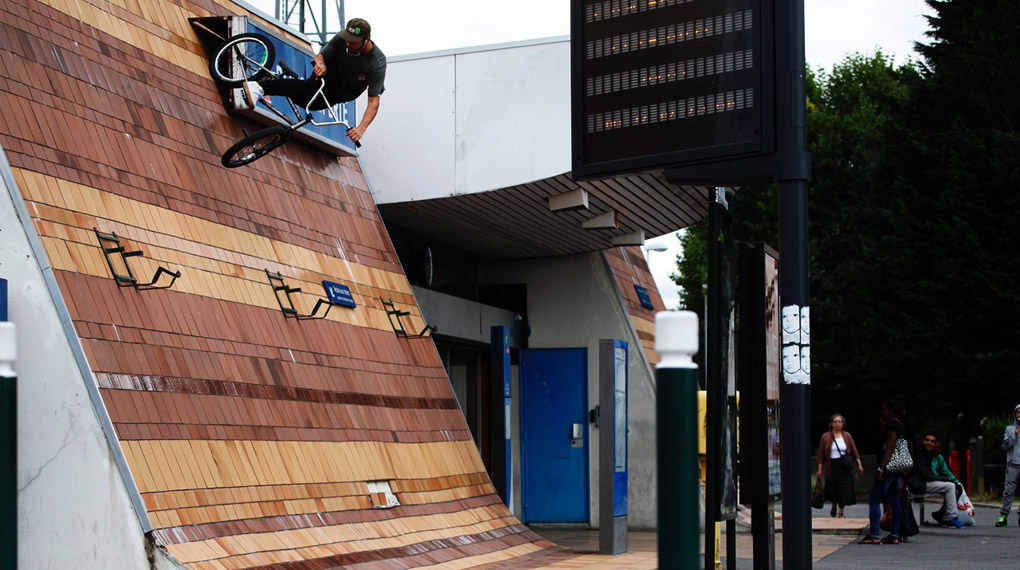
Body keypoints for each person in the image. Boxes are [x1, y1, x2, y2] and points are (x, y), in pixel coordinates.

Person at [241, 18, 385, 144]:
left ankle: (276, 81)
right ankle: (259, 87)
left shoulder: (377, 62)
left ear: (367, 39)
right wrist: (320, 65)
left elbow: (373, 103)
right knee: (309, 89)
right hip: (329, 72)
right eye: (347, 39)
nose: (348, 43)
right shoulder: (342, 39)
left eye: (353, 41)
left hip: (345, 90)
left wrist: (361, 129)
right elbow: (320, 56)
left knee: (308, 103)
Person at [860, 399, 907, 545]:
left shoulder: (892, 426)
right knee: (894, 500)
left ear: (891, 410)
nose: (882, 412)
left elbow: (890, 446)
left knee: (874, 499)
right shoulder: (898, 425)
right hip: (897, 469)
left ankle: (874, 534)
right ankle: (894, 534)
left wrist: (881, 467)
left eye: (884, 409)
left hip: (887, 469)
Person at [906, 431, 966, 528]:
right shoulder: (920, 454)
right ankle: (950, 518)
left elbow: (939, 472)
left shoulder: (928, 453)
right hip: (917, 485)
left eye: (932, 441)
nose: (929, 443)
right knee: (950, 486)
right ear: (923, 441)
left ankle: (944, 515)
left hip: (922, 483)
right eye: (927, 440)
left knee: (953, 487)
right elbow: (927, 475)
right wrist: (945, 479)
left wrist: (949, 479)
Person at [816, 414, 863, 518]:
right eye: (835, 421)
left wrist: (859, 464)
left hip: (844, 466)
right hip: (831, 465)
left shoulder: (847, 436)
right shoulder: (826, 436)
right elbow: (821, 454)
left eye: (840, 422)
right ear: (831, 424)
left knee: (843, 488)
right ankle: (834, 505)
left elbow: (854, 451)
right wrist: (820, 468)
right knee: (832, 488)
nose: (837, 424)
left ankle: (841, 511)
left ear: (843, 424)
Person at [997, 404, 1020, 527]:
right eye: (1018, 412)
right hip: (1013, 464)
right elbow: (1005, 446)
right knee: (1008, 491)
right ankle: (1004, 515)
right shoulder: (1010, 429)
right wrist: (1015, 436)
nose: (1019, 415)